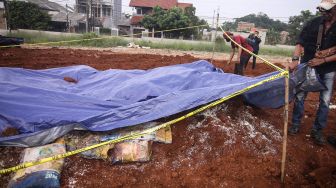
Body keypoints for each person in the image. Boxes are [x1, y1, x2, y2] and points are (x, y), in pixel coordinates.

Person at [288, 0, 336, 146]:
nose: (324, 13)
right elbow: (299, 42)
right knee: (300, 95)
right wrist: (295, 59)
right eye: (322, 10)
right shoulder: (313, 23)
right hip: (308, 65)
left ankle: (317, 130)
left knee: (325, 101)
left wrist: (324, 60)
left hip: (328, 69)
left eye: (328, 10)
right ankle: (295, 124)